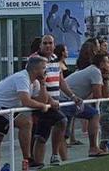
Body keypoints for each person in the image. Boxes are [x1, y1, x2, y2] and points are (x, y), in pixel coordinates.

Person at [30, 35, 78, 167]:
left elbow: (61, 81)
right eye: (45, 43)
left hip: (53, 103)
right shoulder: (34, 59)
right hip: (41, 102)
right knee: (61, 121)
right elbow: (37, 83)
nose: (47, 46)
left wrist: (73, 96)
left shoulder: (55, 59)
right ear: (40, 45)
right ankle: (54, 155)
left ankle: (38, 163)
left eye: (50, 43)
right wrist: (50, 100)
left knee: (41, 135)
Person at [0, 57, 50, 171]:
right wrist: (41, 106)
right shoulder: (22, 78)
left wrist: (43, 83)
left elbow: (42, 100)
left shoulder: (35, 82)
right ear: (35, 69)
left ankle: (28, 159)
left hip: (8, 107)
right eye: (44, 68)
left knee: (26, 123)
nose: (46, 71)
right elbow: (26, 101)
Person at [62, 54, 109, 157]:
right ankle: (93, 148)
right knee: (94, 114)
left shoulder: (94, 71)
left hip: (69, 100)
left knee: (63, 134)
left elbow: (104, 95)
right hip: (66, 100)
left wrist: (106, 79)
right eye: (107, 62)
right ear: (101, 64)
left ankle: (63, 159)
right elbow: (98, 95)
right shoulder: (95, 71)